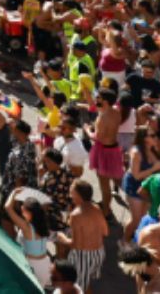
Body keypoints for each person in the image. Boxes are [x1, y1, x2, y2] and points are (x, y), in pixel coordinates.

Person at [54, 180, 107, 294]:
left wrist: (62, 237)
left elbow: (75, 244)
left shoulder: (76, 215)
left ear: (79, 195)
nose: (70, 195)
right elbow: (105, 231)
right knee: (85, 283)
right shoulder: (96, 208)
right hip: (98, 254)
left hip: (82, 257)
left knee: (76, 288)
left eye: (72, 193)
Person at [86, 87, 123, 219]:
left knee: (104, 184)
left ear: (105, 101)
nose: (96, 99)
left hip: (103, 153)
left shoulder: (103, 117)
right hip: (114, 149)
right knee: (113, 180)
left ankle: (106, 211)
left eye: (99, 98)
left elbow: (97, 137)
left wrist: (87, 130)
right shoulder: (116, 111)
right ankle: (106, 204)